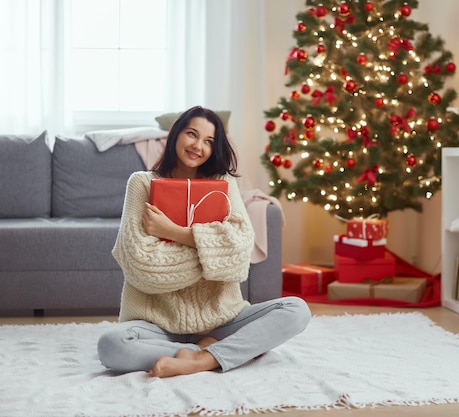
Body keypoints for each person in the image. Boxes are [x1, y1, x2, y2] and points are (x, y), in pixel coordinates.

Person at [97, 105, 311, 378]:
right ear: (176, 134)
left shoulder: (223, 183)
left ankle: (200, 360)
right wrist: (218, 256)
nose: (198, 146)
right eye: (192, 134)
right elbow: (143, 267)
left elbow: (241, 251)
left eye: (209, 141)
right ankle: (220, 352)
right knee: (111, 346)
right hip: (157, 325)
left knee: (296, 310)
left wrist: (176, 233)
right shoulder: (142, 183)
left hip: (222, 320)